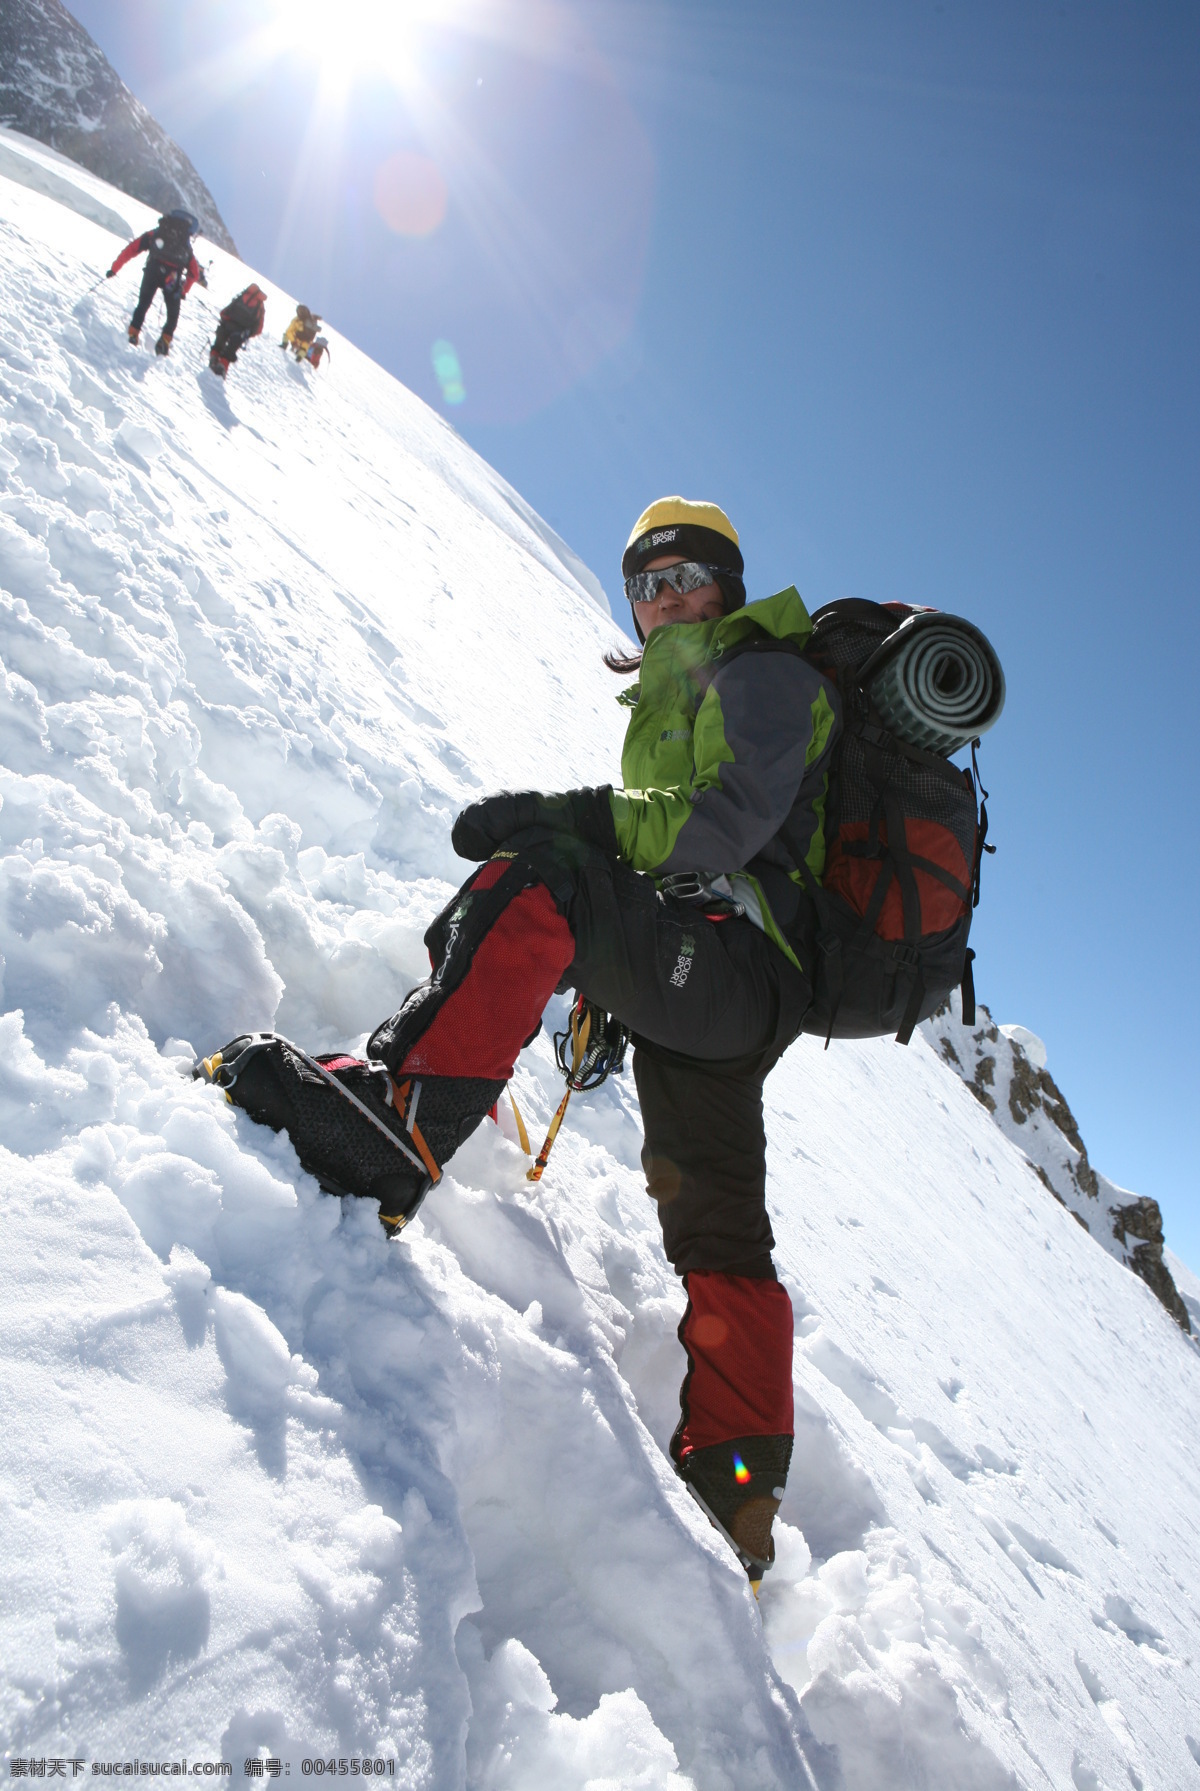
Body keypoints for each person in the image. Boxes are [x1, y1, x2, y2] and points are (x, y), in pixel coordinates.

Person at [203, 497, 840, 1588]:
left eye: (686, 576)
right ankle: (741, 1494)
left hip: (741, 968)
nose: (664, 599)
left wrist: (574, 817)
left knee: (541, 869)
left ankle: (396, 1123)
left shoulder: (766, 675)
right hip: (729, 984)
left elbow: (720, 824)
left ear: (729, 582)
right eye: (645, 584)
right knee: (719, 1219)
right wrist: (617, 982)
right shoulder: (678, 691)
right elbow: (685, 856)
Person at [107, 209, 205, 356]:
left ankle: (133, 333)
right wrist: (183, 291)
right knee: (173, 313)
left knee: (143, 304)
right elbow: (194, 273)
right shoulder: (185, 245)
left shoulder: (157, 233)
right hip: (171, 278)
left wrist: (114, 269)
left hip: (152, 271)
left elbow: (132, 248)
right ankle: (164, 340)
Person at [208, 284, 267, 378]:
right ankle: (222, 366)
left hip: (227, 325)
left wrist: (224, 320)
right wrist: (249, 333)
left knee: (219, 344)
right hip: (240, 332)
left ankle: (214, 358)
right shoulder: (260, 305)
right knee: (230, 350)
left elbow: (225, 311)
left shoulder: (243, 295)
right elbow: (258, 328)